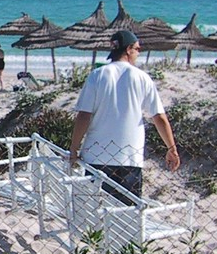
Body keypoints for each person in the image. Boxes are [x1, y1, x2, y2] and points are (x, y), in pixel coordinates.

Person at [69, 30, 180, 203]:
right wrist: (171, 148)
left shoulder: (97, 75)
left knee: (95, 210)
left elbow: (84, 116)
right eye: (137, 49)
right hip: (129, 156)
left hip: (96, 155)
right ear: (128, 49)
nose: (138, 53)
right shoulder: (142, 78)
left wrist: (74, 148)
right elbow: (159, 117)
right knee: (128, 213)